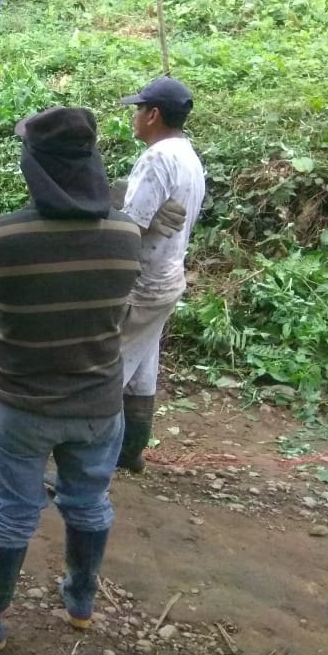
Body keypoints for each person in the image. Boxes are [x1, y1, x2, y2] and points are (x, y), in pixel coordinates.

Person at [0, 107, 141, 651]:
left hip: (23, 406)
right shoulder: (126, 233)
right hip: (99, 404)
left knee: (12, 507)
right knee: (89, 500)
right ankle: (80, 601)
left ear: (33, 167)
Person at [115, 77, 205, 473]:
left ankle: (88, 466)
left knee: (108, 370)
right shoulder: (187, 155)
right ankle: (130, 451)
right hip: (167, 278)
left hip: (141, 282)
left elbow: (131, 227)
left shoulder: (156, 158)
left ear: (153, 115)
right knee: (142, 366)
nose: (134, 117)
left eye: (138, 109)